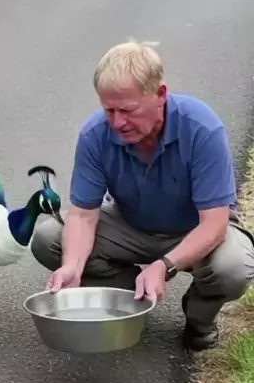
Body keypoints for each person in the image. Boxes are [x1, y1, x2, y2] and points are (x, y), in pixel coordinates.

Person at [31, 40, 254, 351]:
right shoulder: (95, 135)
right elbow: (82, 216)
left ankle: (199, 317)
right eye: (109, 110)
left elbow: (214, 224)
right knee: (48, 238)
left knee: (234, 267)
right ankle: (126, 297)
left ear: (160, 94)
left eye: (128, 110)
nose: (117, 122)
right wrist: (72, 266)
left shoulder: (202, 129)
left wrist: (164, 265)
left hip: (195, 229)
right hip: (130, 225)